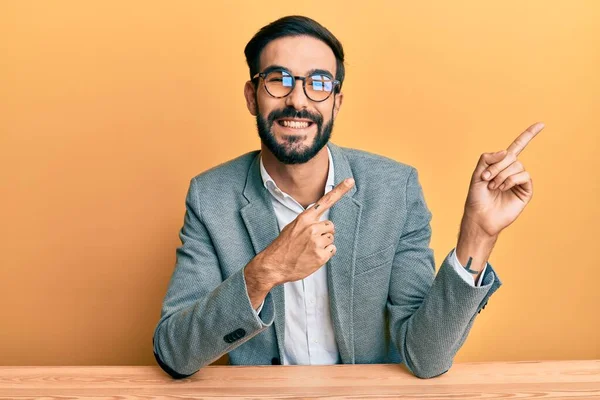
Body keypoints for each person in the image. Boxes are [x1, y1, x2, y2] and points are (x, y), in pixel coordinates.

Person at [152, 15, 543, 379]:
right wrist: (265, 272)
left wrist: (477, 234)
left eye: (318, 82)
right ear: (252, 96)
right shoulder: (210, 197)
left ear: (337, 101)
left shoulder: (395, 188)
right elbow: (173, 353)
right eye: (278, 79)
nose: (298, 100)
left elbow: (426, 358)